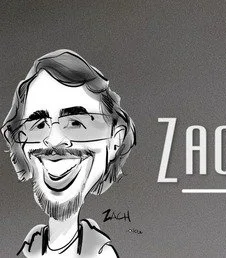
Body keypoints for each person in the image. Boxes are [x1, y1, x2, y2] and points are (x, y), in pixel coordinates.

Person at [4, 52, 131, 257]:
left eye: (76, 123)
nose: (53, 140)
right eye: (38, 125)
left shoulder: (100, 254)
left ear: (115, 139)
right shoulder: (29, 246)